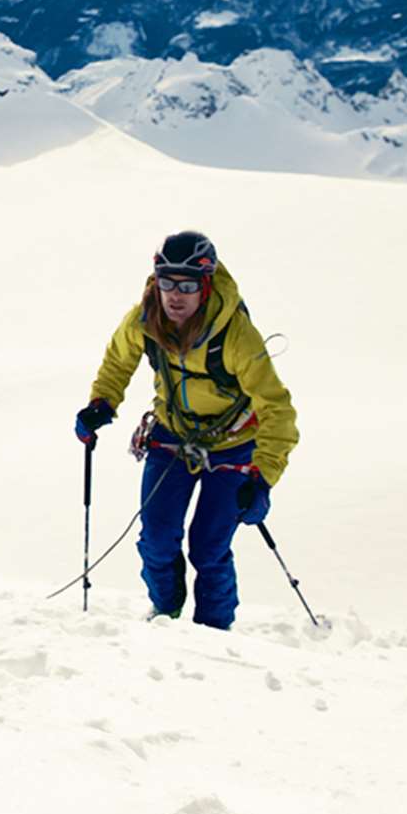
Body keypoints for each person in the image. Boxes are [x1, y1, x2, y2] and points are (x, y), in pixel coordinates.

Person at [72, 231, 298, 629]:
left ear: (206, 284)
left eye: (187, 285)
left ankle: (213, 632)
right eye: (167, 283)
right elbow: (118, 361)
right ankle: (165, 610)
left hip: (233, 445)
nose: (175, 295)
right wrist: (101, 403)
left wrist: (262, 478)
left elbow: (276, 409)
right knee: (156, 539)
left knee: (209, 548)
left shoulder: (236, 336)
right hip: (171, 436)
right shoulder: (145, 319)